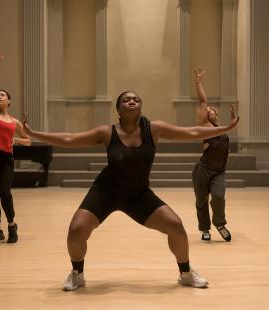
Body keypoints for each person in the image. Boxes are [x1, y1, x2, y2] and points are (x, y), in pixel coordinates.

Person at [23, 90, 238, 290]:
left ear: (141, 107)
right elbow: (69, 139)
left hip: (138, 194)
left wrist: (225, 129)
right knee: (76, 230)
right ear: (118, 110)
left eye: (135, 99)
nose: (132, 101)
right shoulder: (107, 132)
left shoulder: (154, 128)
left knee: (176, 226)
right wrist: (34, 133)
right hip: (106, 191)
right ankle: (77, 273)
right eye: (126, 99)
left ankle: (186, 274)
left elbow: (191, 132)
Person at [0, 50, 31, 244]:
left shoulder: (14, 121)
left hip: (5, 160)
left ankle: (12, 225)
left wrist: (16, 141)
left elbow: (28, 141)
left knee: (4, 191)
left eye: (2, 95)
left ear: (9, 101)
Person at [192, 68, 232, 242]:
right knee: (201, 201)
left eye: (212, 111)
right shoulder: (204, 127)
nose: (210, 112)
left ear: (217, 115)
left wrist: (232, 121)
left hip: (219, 171)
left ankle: (220, 223)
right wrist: (198, 83)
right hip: (203, 170)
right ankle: (204, 229)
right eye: (207, 112)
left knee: (218, 197)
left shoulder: (223, 129)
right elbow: (203, 101)